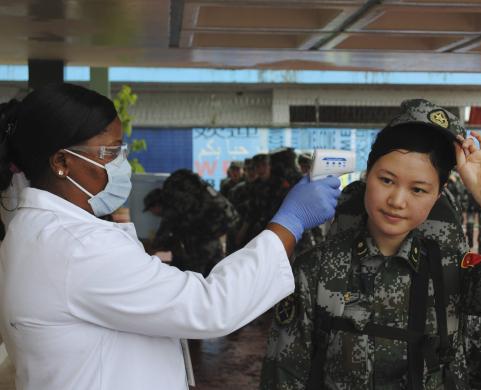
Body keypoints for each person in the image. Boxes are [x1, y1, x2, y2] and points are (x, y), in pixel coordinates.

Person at [0, 83, 341, 390]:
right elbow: (211, 306)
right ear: (62, 162)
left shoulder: (32, 230)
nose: (122, 163)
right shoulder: (77, 247)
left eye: (123, 150)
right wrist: (290, 222)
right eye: (110, 153)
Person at [260, 99, 481, 390]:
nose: (397, 201)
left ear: (438, 195)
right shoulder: (314, 272)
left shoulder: (453, 271)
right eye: (386, 180)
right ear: (368, 175)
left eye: (418, 189)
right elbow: (283, 377)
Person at [151, 169, 239, 275]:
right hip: (213, 231)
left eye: (151, 210)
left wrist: (151, 249)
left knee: (196, 276)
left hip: (201, 237)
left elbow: (164, 231)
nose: (153, 214)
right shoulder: (189, 190)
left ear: (157, 205)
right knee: (216, 272)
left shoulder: (171, 199)